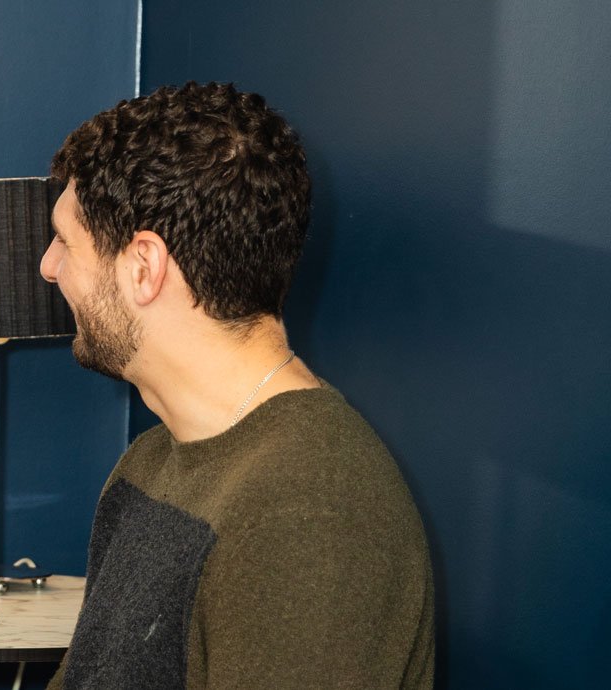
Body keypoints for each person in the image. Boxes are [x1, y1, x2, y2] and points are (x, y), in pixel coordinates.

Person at [37, 83, 434, 688]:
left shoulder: (313, 512)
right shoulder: (152, 462)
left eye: (66, 241)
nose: (48, 265)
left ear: (144, 266)